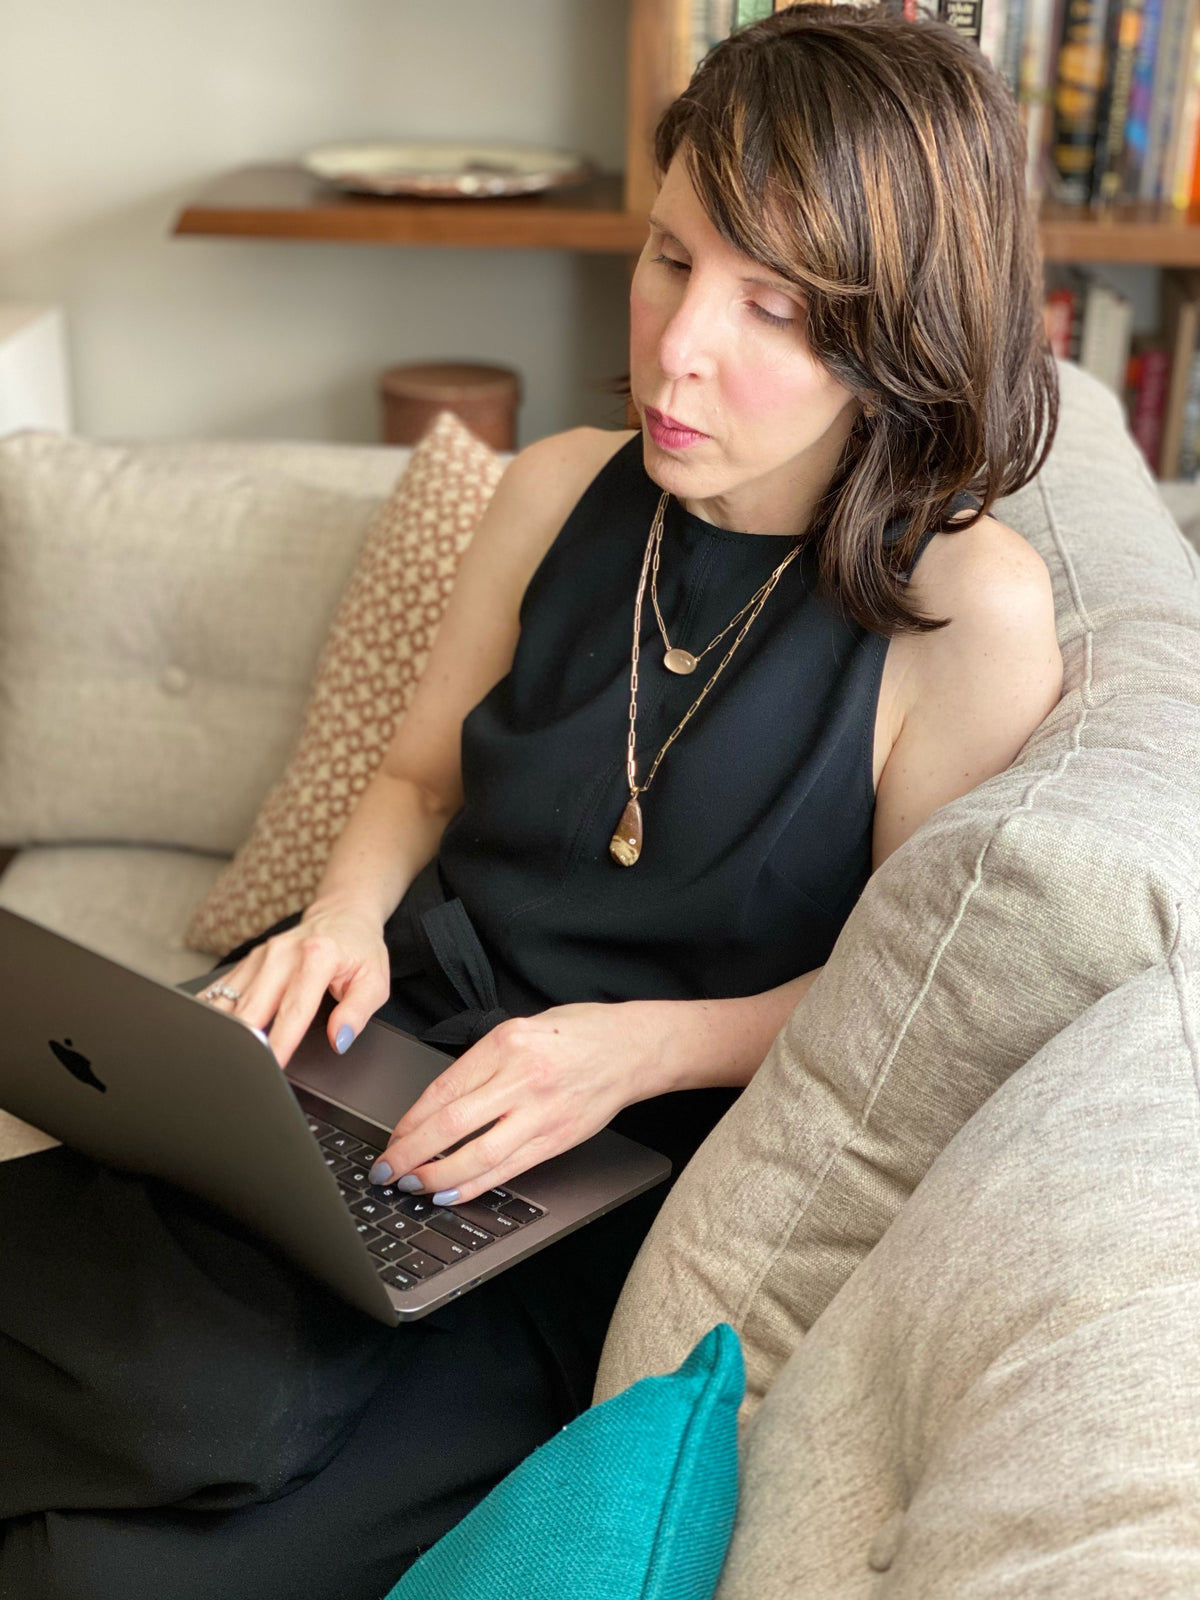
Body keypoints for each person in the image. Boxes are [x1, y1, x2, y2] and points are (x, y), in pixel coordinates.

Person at [0, 7, 1063, 1597]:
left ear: (895, 333)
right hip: (387, 1042)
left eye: (769, 304)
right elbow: (422, 776)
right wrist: (344, 918)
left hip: (600, 1163)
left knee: (148, 1494)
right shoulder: (562, 487)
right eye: (668, 259)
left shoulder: (963, 613)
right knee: (139, 1342)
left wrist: (644, 1044)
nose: (678, 343)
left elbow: (907, 998)